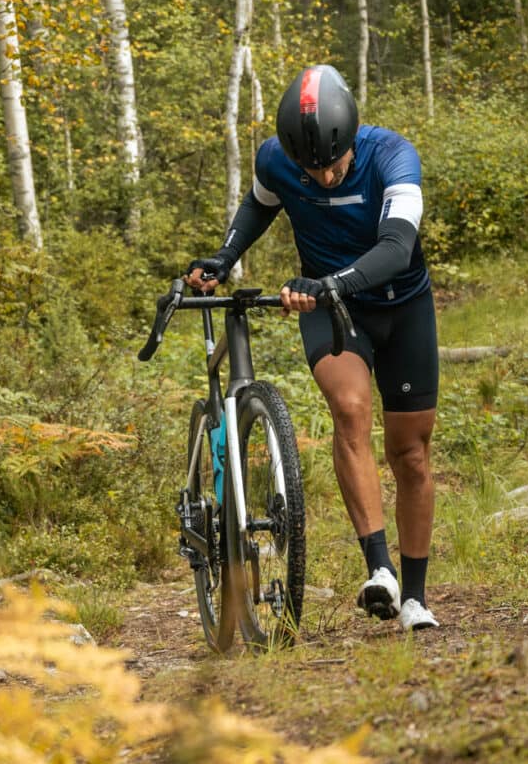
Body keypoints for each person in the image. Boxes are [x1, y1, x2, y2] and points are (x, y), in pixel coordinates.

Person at [185, 64, 441, 630]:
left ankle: (416, 597)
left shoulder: (393, 157)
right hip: (331, 312)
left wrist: (331, 283)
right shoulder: (276, 159)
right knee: (349, 409)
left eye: (335, 165)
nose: (325, 178)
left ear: (352, 140)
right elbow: (259, 205)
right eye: (312, 170)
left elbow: (397, 247)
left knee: (411, 454)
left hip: (402, 307)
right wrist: (224, 258)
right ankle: (380, 571)